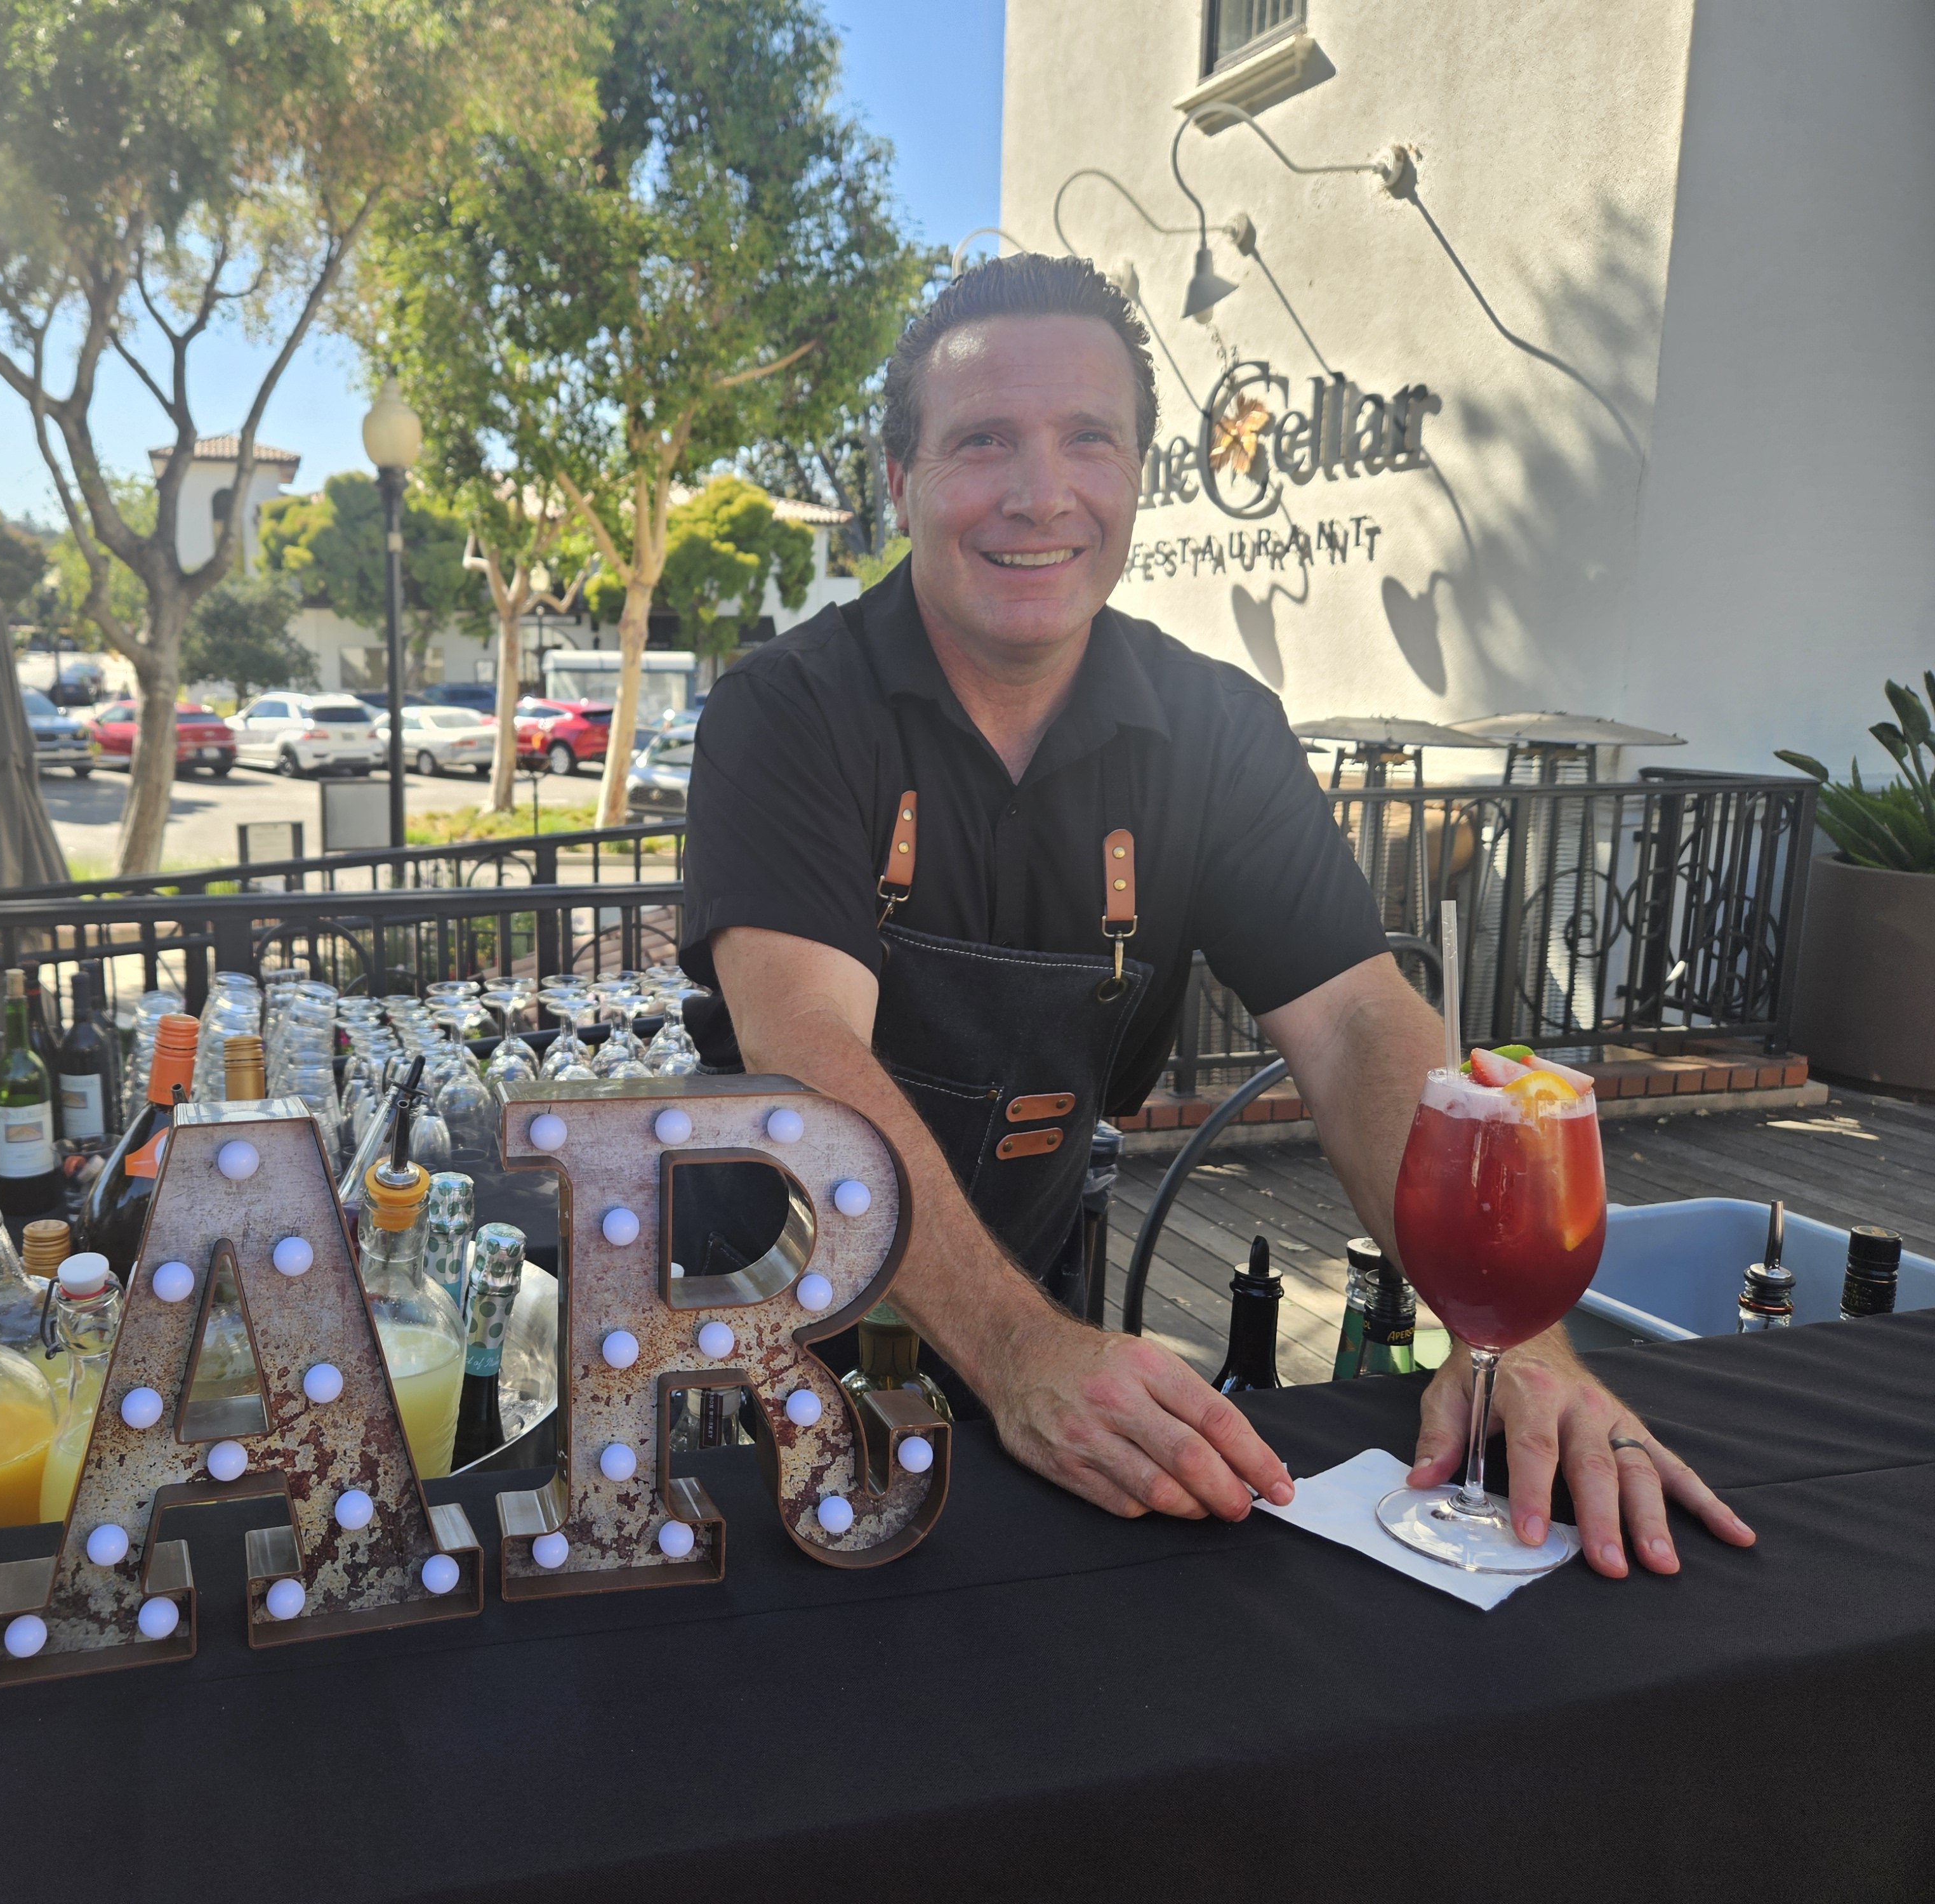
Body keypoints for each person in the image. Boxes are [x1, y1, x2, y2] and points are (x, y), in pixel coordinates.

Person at [680, 255, 1752, 1581]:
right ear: (900, 481)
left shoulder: (1215, 730)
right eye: (983, 441)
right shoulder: (786, 711)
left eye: (1089, 439)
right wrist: (1019, 1353)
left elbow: (1355, 1021)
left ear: (1139, 476)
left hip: (1037, 1343)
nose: (1040, 493)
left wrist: (1511, 1349)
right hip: (754, 1341)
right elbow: (808, 1054)